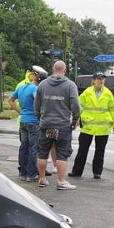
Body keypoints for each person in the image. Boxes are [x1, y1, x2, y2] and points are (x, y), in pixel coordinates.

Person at [34, 61, 81, 190]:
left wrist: (41, 118)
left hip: (46, 124)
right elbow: (76, 105)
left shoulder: (42, 85)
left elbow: (36, 105)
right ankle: (61, 181)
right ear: (65, 71)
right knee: (62, 153)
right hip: (62, 125)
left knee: (42, 153)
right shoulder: (70, 85)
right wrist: (75, 119)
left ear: (52, 69)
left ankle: (42, 179)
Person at [69, 72, 114, 179]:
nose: (101, 81)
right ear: (93, 81)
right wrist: (76, 119)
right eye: (99, 79)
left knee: (100, 152)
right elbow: (79, 107)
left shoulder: (108, 93)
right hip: (88, 126)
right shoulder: (87, 92)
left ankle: (97, 172)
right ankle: (77, 171)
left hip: (102, 128)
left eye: (103, 79)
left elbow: (113, 110)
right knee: (82, 150)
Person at [8, 66, 47, 181]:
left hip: (23, 121)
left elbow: (10, 100)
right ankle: (32, 174)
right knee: (33, 148)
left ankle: (22, 173)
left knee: (23, 147)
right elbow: (38, 103)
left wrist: (20, 111)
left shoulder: (21, 88)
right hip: (34, 122)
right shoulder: (35, 89)